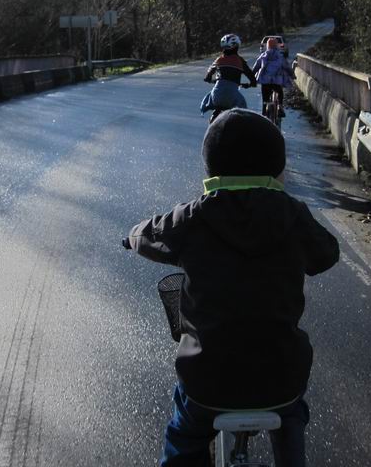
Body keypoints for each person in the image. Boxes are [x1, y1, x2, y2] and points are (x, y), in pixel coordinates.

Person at [122, 109, 340, 467]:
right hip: (280, 378)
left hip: (207, 383)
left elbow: (150, 234)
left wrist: (131, 238)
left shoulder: (192, 217)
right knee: (292, 415)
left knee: (184, 435)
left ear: (212, 168)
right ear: (276, 165)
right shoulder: (294, 214)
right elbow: (326, 253)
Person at [200, 34, 257, 118]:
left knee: (207, 99)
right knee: (244, 114)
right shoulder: (240, 61)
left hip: (217, 95)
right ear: (237, 46)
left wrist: (208, 78)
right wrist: (252, 83)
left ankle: (204, 114)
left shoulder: (219, 59)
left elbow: (210, 72)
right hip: (232, 97)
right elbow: (251, 75)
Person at [252, 37, 296, 118]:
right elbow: (287, 67)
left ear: (268, 46)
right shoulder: (280, 56)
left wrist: (252, 76)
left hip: (265, 82)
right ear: (276, 46)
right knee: (280, 92)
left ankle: (264, 111)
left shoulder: (263, 55)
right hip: (277, 81)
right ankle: (280, 106)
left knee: (265, 97)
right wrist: (292, 75)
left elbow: (256, 67)